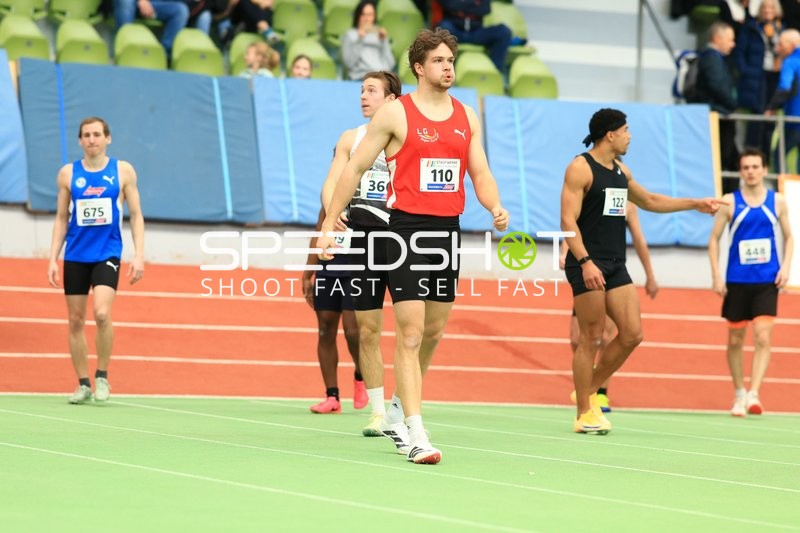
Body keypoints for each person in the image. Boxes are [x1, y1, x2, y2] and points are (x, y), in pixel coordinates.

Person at [318, 28, 509, 465]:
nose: (448, 67)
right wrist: (331, 222)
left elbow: (479, 171)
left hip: (447, 231)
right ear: (419, 67)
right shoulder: (395, 115)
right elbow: (355, 168)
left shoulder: (467, 116)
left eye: (451, 60)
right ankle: (416, 433)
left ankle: (402, 407)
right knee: (408, 331)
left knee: (433, 331)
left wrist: (495, 205)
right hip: (402, 231)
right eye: (439, 60)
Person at [561, 108, 725, 435]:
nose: (630, 136)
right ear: (610, 134)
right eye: (626, 130)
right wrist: (585, 262)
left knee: (633, 333)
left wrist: (694, 203)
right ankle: (584, 413)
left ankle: (586, 389)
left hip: (615, 264)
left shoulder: (620, 171)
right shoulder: (580, 168)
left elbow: (650, 200)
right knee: (591, 338)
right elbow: (567, 222)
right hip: (587, 263)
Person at [319, 72, 402, 439]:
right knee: (367, 330)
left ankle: (404, 407)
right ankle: (378, 410)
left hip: (402, 239)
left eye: (372, 91)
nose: (364, 97)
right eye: (362, 90)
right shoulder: (350, 138)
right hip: (363, 240)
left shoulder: (406, 137)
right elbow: (333, 181)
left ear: (392, 99)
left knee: (414, 331)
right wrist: (332, 213)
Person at [47, 117, 145, 404]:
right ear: (80, 141)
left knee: (101, 313)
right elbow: (62, 217)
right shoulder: (68, 174)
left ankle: (102, 375)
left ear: (107, 138)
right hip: (76, 254)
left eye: (97, 134)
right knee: (75, 320)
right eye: (87, 135)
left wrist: (138, 255)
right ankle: (83, 383)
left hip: (107, 252)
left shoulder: (123, 171)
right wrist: (52, 258)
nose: (92, 139)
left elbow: (136, 215)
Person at [708, 147, 793, 416]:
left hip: (767, 279)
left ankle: (754, 393)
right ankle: (739, 393)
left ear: (764, 170)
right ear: (740, 171)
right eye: (746, 168)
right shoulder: (729, 202)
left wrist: (787, 267)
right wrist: (716, 275)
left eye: (756, 167)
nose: (751, 172)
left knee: (763, 336)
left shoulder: (777, 201)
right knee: (735, 339)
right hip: (737, 280)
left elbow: (790, 237)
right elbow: (714, 239)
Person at [560, 202, 659, 413]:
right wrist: (565, 251)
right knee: (577, 339)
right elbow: (572, 224)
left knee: (608, 337)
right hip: (587, 269)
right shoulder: (590, 192)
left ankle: (600, 393)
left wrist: (650, 275)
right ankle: (587, 384)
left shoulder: (628, 206)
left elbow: (639, 240)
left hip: (611, 272)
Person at [302, 208, 366, 414]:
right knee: (325, 330)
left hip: (356, 269)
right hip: (328, 269)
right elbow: (318, 232)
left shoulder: (363, 196)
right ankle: (332, 396)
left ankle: (360, 374)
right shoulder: (329, 199)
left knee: (352, 332)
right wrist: (307, 273)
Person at [690, 21, 739, 188]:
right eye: (730, 39)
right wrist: (732, 104)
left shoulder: (709, 57)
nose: (733, 44)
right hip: (717, 115)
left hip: (716, 113)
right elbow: (717, 85)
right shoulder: (711, 58)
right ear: (717, 38)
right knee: (726, 159)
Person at [438, 0, 512, 72]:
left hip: (476, 32)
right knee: (443, 29)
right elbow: (449, 5)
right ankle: (443, 70)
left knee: (503, 31)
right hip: (455, 31)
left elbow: (485, 9)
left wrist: (461, 5)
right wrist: (473, 3)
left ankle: (495, 72)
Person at [766, 29, 800, 173]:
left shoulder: (791, 62)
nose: (777, 48)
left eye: (781, 44)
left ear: (791, 45)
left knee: (778, 155)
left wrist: (771, 108)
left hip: (794, 121)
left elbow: (785, 87)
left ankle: (781, 190)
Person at [341, 1, 396, 81]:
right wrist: (360, 40)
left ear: (374, 17)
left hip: (382, 77)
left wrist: (384, 41)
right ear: (358, 16)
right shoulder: (350, 34)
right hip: (361, 77)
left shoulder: (380, 35)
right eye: (363, 14)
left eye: (370, 15)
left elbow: (391, 63)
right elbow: (349, 63)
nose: (366, 19)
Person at [113, 0, 189, 55]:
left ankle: (162, 55)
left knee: (181, 11)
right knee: (125, 2)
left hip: (155, 4)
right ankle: (125, 50)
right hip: (132, 3)